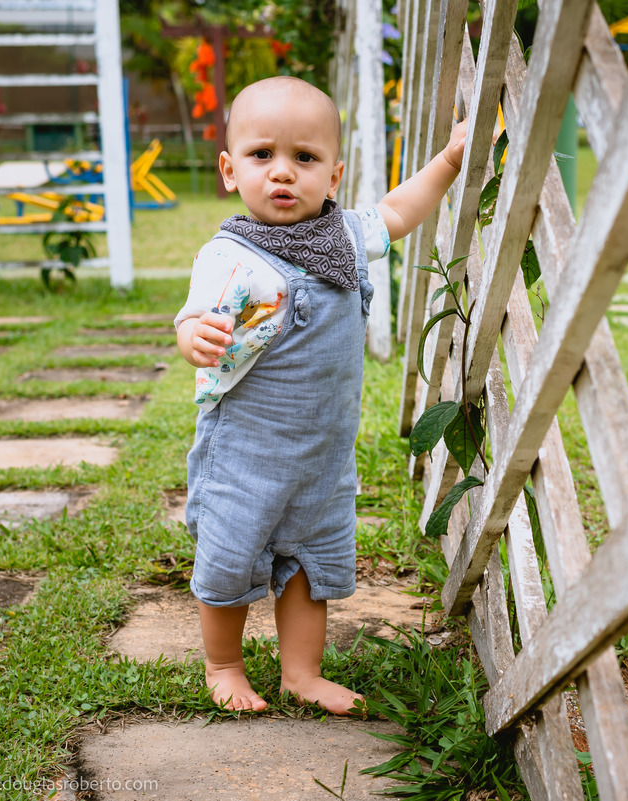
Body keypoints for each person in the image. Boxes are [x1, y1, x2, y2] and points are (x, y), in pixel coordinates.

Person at [175, 76, 466, 714]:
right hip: (245, 453)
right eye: (262, 156)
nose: (283, 173)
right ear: (230, 169)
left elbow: (397, 213)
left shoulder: (343, 241)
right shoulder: (229, 256)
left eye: (304, 159)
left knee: (310, 566)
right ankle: (223, 664)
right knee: (228, 559)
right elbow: (193, 317)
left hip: (321, 457)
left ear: (333, 176)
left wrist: (447, 161)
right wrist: (195, 334)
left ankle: (300, 673)